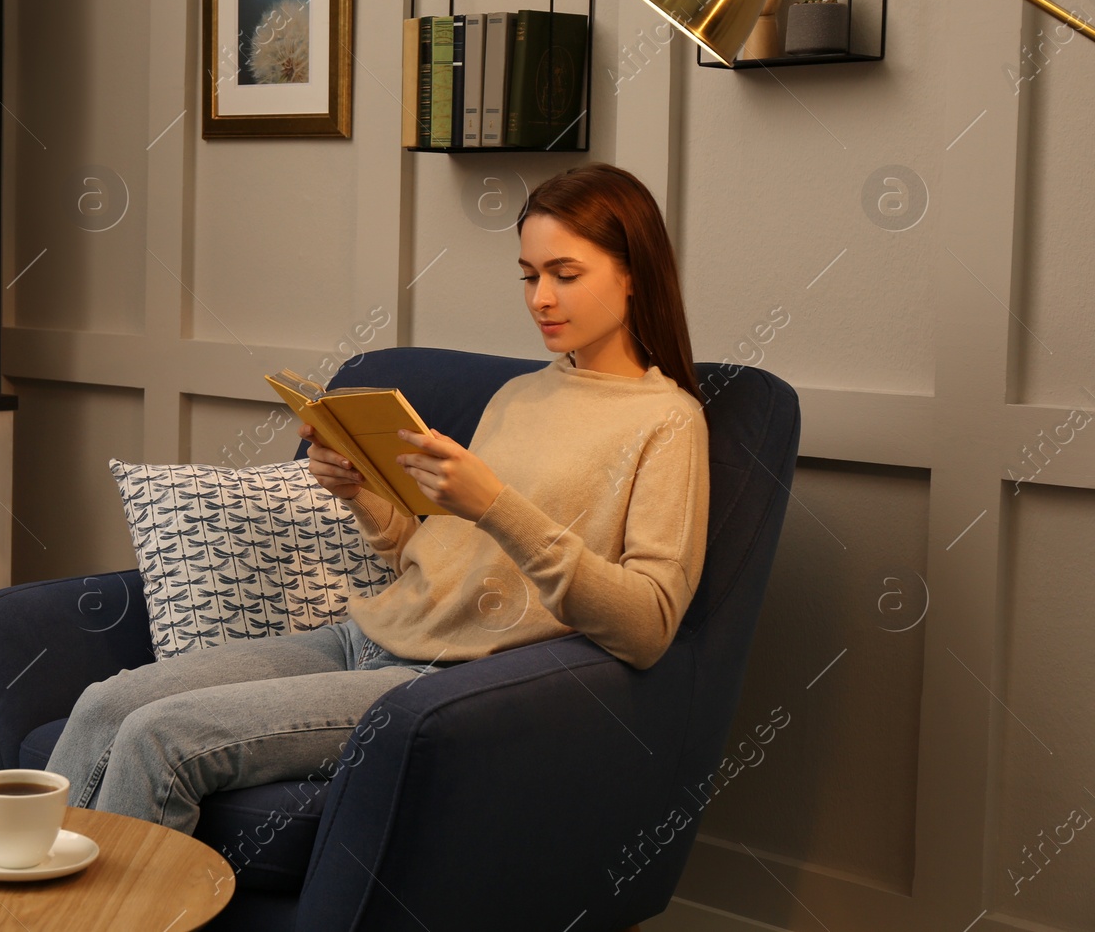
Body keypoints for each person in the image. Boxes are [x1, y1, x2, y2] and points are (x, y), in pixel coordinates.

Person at [43, 162, 711, 837]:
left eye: (565, 274)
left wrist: (495, 504)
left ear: (634, 272)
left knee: (159, 736)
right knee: (106, 703)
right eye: (529, 274)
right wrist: (359, 491)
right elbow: (427, 561)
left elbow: (650, 624)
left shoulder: (668, 421)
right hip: (359, 637)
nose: (540, 296)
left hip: (439, 683)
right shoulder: (520, 395)